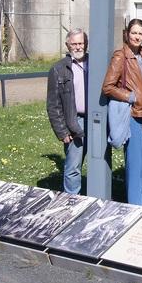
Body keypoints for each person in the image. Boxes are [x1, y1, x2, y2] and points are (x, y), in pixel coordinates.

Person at [102, 19, 142, 206]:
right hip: (133, 115)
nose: (137, 37)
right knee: (134, 163)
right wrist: (131, 97)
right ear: (127, 34)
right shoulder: (121, 56)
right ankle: (136, 204)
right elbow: (108, 87)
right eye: (134, 33)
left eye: (141, 33)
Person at [46, 29, 89, 194]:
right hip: (74, 122)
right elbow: (53, 104)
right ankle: (72, 200)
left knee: (99, 162)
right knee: (73, 166)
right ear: (67, 45)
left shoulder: (95, 64)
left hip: (95, 121)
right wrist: (62, 131)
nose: (78, 47)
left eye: (81, 43)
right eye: (74, 44)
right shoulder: (58, 69)